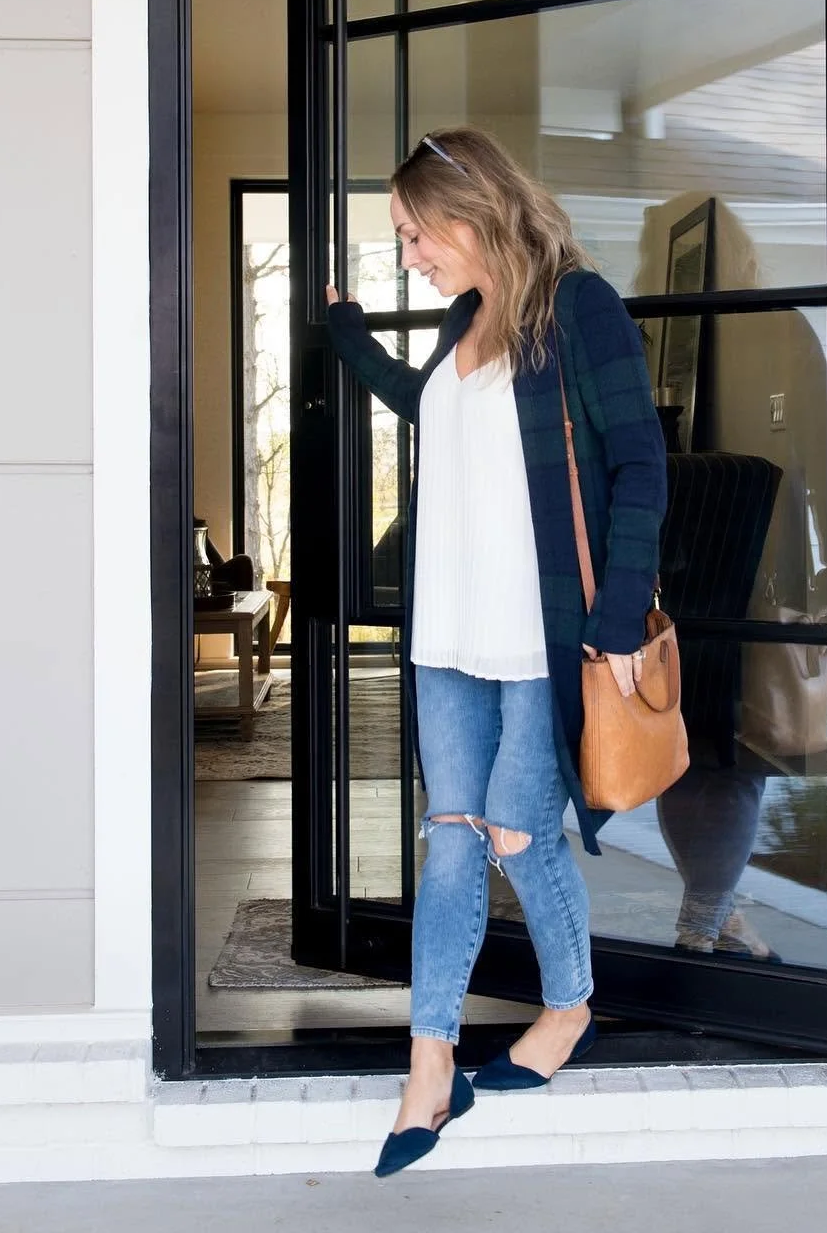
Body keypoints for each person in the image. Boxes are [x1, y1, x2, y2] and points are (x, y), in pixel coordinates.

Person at [324, 126, 666, 1177]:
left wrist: (612, 633)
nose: (410, 254)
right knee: (452, 842)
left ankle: (567, 1012)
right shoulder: (464, 319)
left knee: (519, 840)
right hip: (448, 639)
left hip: (540, 642)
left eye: (413, 233)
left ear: (466, 216)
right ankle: (431, 1068)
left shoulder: (578, 308)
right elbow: (433, 413)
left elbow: (642, 466)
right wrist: (349, 339)